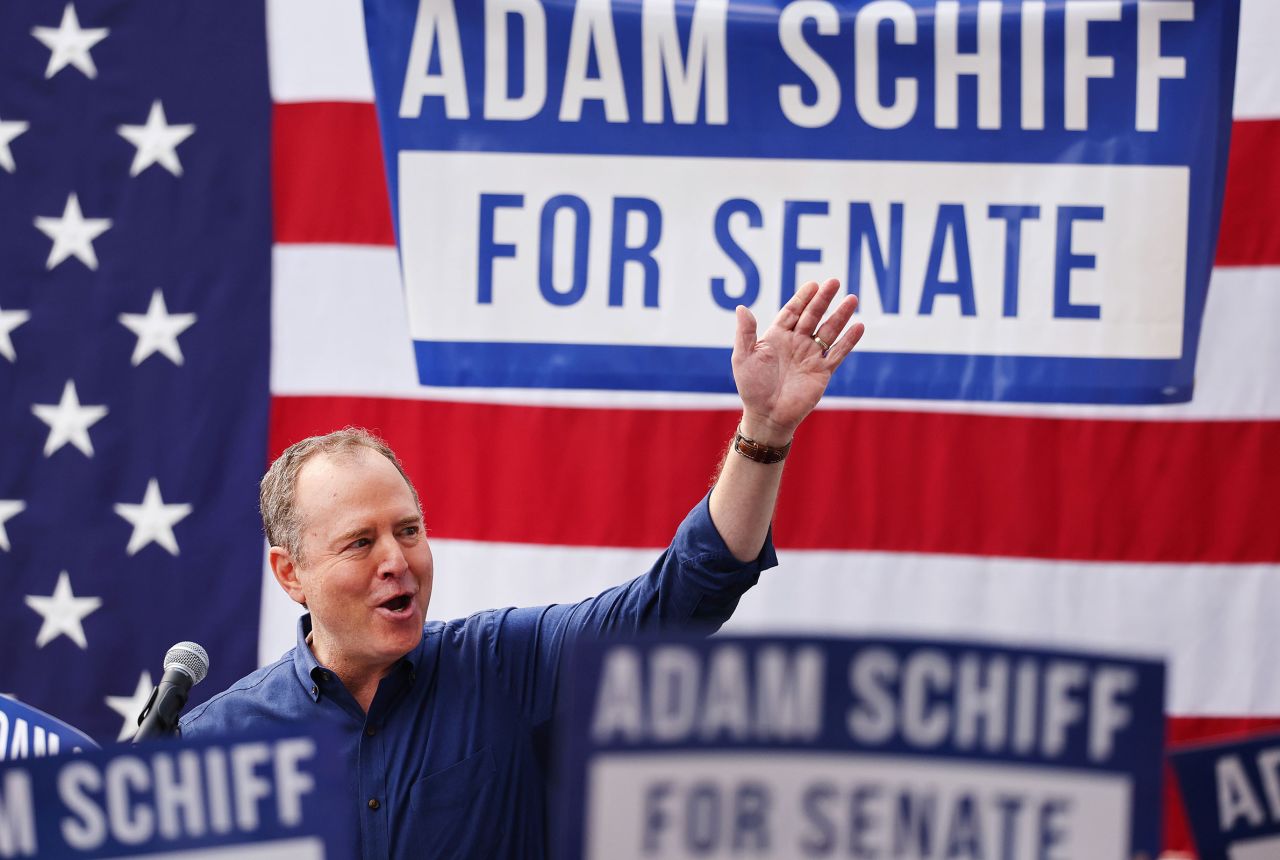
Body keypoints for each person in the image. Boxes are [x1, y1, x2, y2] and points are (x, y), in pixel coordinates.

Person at [180, 279, 865, 858]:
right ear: (290, 573)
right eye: (361, 543)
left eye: (409, 531)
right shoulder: (212, 748)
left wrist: (764, 433)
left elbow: (686, 596)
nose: (398, 561)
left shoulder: (507, 666)